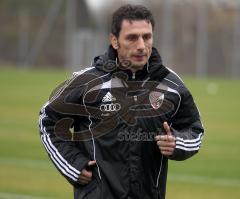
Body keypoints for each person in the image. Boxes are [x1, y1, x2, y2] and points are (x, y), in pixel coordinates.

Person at [39, 4, 204, 199]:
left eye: (147, 37)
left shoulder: (171, 84)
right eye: (132, 37)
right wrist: (73, 165)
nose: (141, 45)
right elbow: (48, 120)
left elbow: (195, 129)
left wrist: (177, 142)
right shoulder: (86, 82)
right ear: (114, 41)